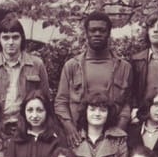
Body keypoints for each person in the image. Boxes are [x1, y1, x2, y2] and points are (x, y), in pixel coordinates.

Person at [55, 11, 133, 147]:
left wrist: (119, 130)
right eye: (93, 30)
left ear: (109, 33)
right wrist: (69, 128)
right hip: (79, 135)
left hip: (112, 136)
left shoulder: (124, 67)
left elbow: (127, 103)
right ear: (86, 33)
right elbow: (61, 102)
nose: (97, 34)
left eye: (102, 30)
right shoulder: (72, 66)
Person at [0, 14, 50, 138]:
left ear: (22, 39)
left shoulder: (37, 64)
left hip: (27, 128)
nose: (10, 42)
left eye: (15, 37)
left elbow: (45, 100)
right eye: (5, 38)